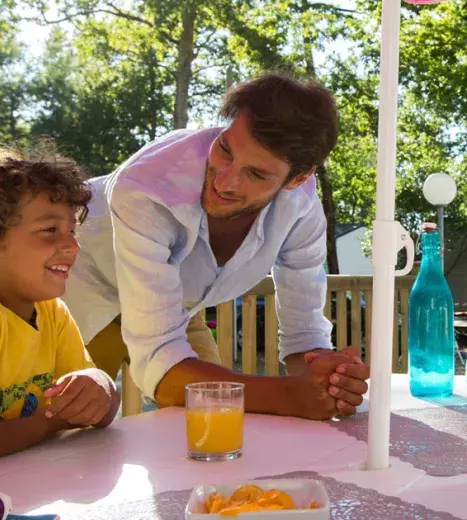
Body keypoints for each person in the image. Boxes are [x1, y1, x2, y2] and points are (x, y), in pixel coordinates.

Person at [62, 72, 368, 419]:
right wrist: (291, 397)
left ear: (298, 178)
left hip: (174, 304)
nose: (225, 181)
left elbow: (303, 331)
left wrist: (326, 379)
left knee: (218, 419)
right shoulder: (146, 186)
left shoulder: (302, 208)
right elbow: (160, 368)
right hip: (81, 290)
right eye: (224, 149)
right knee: (61, 428)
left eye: (255, 174)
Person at [0, 143, 120, 457]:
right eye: (50, 230)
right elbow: (58, 420)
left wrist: (98, 387)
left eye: (72, 231)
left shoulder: (51, 311)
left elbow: (103, 406)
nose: (72, 247)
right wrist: (51, 421)